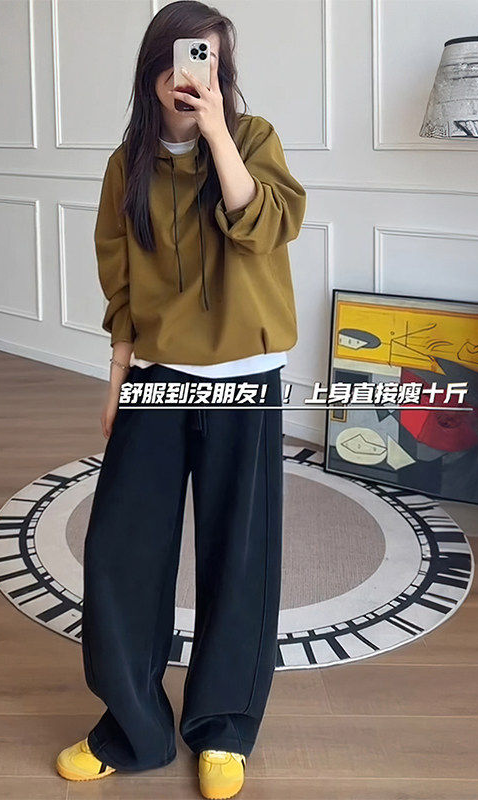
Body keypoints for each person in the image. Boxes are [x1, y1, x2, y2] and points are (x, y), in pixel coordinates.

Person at [55, 2, 305, 798]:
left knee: (239, 554)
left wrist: (219, 133)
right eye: (179, 58)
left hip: (246, 374)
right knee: (121, 553)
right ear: (152, 68)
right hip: (158, 378)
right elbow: (120, 281)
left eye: (210, 62)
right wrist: (117, 377)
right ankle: (133, 730)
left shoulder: (253, 138)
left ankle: (223, 728)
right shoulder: (126, 165)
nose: (191, 75)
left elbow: (265, 225)